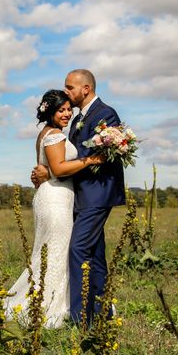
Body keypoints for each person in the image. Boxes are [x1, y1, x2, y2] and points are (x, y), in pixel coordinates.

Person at [1, 89, 103, 328]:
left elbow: (49, 168)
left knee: (52, 252)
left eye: (69, 109)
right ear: (50, 111)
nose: (67, 114)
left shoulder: (45, 133)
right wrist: (90, 160)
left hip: (51, 196)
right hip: (56, 198)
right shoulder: (55, 135)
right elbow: (59, 169)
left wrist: (47, 171)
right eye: (62, 110)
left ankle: (53, 301)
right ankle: (48, 306)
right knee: (57, 251)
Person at [32, 70, 125, 324]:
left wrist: (50, 170)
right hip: (76, 195)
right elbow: (67, 157)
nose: (66, 92)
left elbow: (95, 153)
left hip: (97, 195)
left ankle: (80, 316)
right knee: (94, 252)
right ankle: (101, 310)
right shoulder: (75, 119)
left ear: (86, 89)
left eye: (69, 87)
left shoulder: (105, 114)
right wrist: (49, 170)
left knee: (78, 249)